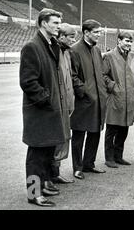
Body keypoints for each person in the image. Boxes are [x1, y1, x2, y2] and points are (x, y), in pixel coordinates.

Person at [20, 8, 65, 207]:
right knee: (36, 155)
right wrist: (46, 100)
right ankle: (33, 193)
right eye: (55, 23)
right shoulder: (32, 46)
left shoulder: (50, 45)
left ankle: (43, 186)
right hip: (40, 112)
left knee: (47, 152)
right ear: (44, 23)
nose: (58, 26)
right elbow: (28, 82)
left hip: (49, 110)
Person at [70, 19, 107, 179]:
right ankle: (77, 167)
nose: (99, 35)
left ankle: (89, 163)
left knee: (95, 133)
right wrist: (85, 92)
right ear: (86, 32)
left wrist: (101, 93)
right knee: (79, 135)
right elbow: (72, 76)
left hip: (98, 100)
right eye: (96, 32)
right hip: (83, 101)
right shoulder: (74, 50)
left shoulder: (97, 50)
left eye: (100, 32)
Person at [103, 31, 134, 168]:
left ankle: (118, 156)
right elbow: (103, 75)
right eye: (126, 41)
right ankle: (109, 158)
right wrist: (113, 86)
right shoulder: (109, 56)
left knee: (124, 129)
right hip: (115, 98)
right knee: (112, 129)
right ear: (119, 41)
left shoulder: (133, 57)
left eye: (130, 41)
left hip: (129, 98)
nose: (128, 44)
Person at [49, 23, 77, 185]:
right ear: (61, 37)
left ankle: (55, 173)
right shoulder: (54, 52)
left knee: (63, 139)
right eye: (71, 36)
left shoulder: (67, 53)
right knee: (55, 140)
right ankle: (49, 176)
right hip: (57, 104)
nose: (74, 39)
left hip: (67, 103)